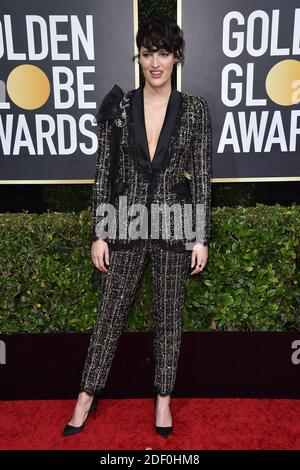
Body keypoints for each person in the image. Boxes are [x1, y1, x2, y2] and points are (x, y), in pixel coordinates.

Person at [62, 16, 212, 438]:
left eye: (163, 53)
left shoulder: (195, 110)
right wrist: (99, 230)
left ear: (176, 57)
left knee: (168, 319)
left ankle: (163, 403)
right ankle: (85, 398)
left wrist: (200, 236)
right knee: (109, 316)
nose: (156, 62)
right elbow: (104, 172)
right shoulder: (120, 105)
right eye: (148, 54)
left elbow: (201, 174)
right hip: (124, 223)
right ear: (139, 57)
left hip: (174, 225)